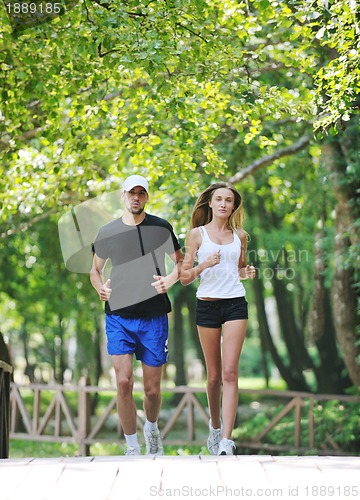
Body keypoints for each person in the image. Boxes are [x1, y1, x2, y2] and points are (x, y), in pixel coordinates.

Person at [90, 174, 183, 456]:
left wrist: (170, 280)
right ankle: (132, 446)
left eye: (141, 193)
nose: (136, 197)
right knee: (123, 381)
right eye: (132, 193)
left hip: (153, 316)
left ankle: (151, 429)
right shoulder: (108, 232)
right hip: (118, 314)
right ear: (124, 196)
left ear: (147, 197)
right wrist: (100, 289)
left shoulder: (161, 227)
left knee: (152, 390)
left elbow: (181, 263)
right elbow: (95, 270)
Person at [180, 182, 255, 456]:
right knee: (213, 378)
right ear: (209, 204)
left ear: (234, 206)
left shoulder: (241, 236)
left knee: (230, 373)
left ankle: (226, 441)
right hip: (207, 307)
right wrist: (204, 265)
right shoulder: (197, 235)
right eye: (219, 199)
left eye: (229, 200)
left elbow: (238, 268)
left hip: (235, 304)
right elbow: (185, 277)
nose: (224, 203)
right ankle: (214, 426)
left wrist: (247, 272)